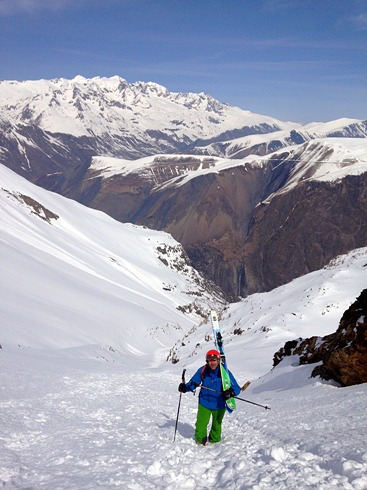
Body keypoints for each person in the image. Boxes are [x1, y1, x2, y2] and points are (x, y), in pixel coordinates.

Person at [178, 349, 241, 445]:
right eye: (210, 360)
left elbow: (237, 388)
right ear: (207, 361)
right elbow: (193, 383)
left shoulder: (225, 372)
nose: (212, 362)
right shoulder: (203, 370)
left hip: (219, 404)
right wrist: (184, 388)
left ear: (218, 360)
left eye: (214, 360)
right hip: (204, 403)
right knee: (200, 426)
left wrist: (230, 392)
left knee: (217, 426)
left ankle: (215, 444)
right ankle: (200, 442)